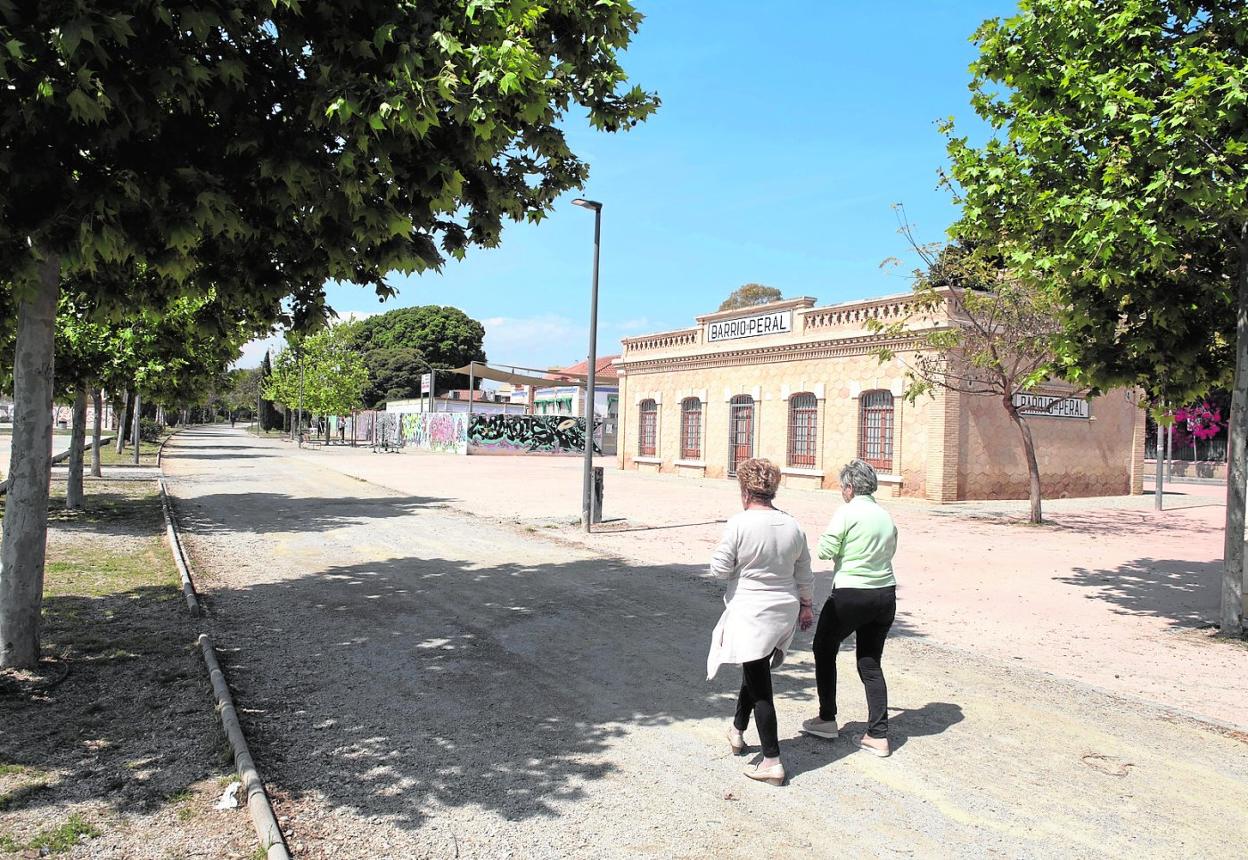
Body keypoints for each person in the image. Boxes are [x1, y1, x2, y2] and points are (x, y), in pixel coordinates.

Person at [707, 458, 814, 786]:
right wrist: (807, 606)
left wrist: (737, 567)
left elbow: (719, 569)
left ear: (744, 491)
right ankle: (737, 730)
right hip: (784, 611)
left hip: (752, 612)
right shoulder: (793, 525)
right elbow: (804, 572)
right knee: (755, 671)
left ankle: (772, 760)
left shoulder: (739, 524)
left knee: (761, 685)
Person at [802, 459, 899, 757]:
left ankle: (827, 718)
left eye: (842, 486)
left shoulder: (846, 512)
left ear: (850, 488)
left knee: (824, 647)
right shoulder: (885, 516)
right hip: (884, 594)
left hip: (851, 593)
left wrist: (840, 549)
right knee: (870, 662)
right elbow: (891, 550)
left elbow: (825, 550)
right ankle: (878, 734)